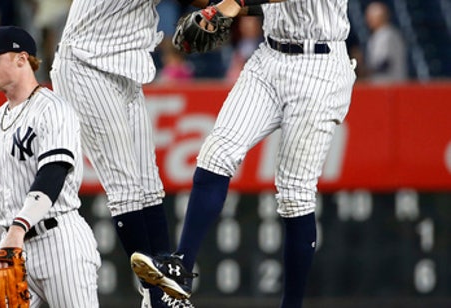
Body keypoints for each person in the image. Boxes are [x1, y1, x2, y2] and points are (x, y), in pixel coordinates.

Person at [130, 0, 357, 307]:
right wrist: (218, 6)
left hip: (320, 67)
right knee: (216, 153)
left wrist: (232, 4)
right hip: (271, 57)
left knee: (295, 195)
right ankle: (180, 269)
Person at [49, 0, 209, 307]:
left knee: (149, 186)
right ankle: (154, 293)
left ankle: (167, 290)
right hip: (85, 67)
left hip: (122, 66)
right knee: (125, 188)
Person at [0, 25, 100, 307]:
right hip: (17, 249)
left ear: (21, 58)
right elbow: (1, 190)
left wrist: (15, 231)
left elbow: (53, 172)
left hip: (60, 243)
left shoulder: (53, 109)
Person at [364, 1, 407, 83]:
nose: (368, 20)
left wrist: (364, 71)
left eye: (371, 17)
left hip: (391, 85)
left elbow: (384, 64)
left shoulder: (388, 35)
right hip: (381, 86)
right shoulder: (377, 35)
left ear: (382, 17)